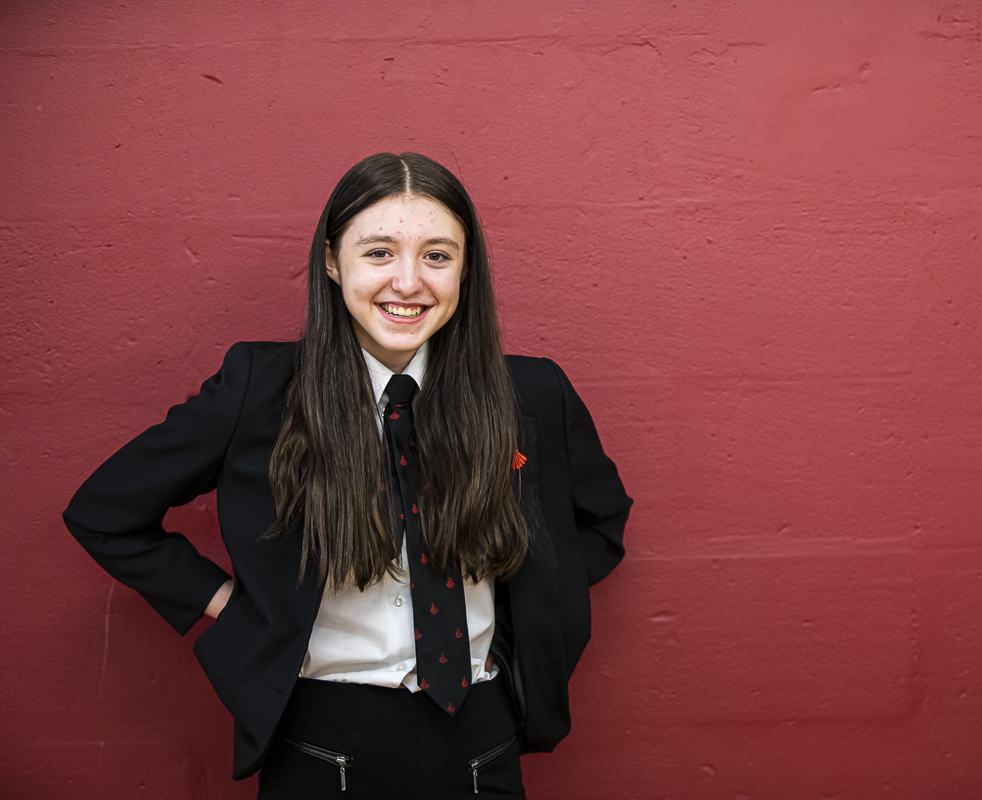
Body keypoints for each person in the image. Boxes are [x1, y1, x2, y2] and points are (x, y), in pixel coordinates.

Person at [63, 152, 633, 798]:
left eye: (438, 256)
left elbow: (600, 521)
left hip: (483, 745)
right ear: (333, 262)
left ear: (466, 268)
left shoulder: (532, 394)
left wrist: (530, 607)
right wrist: (231, 607)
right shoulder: (259, 389)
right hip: (319, 746)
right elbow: (105, 511)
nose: (409, 282)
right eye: (380, 253)